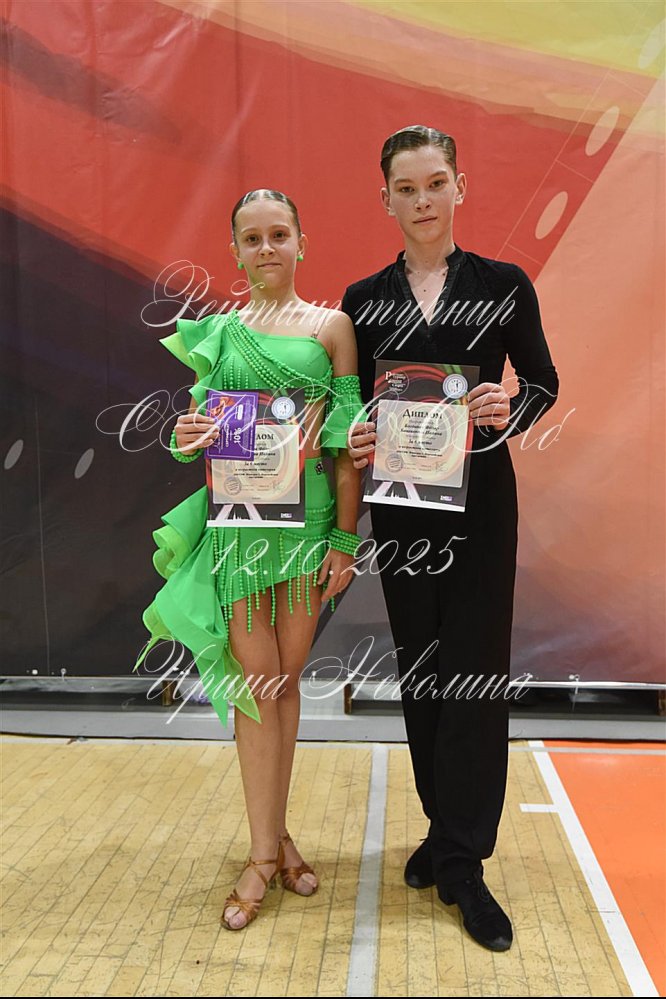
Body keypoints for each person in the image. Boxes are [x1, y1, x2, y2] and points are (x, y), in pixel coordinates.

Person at [341, 125, 560, 952]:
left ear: (460, 186)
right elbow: (352, 407)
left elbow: (542, 382)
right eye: (407, 187)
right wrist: (356, 435)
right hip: (401, 514)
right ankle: (443, 827)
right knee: (423, 674)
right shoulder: (362, 299)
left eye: (436, 182)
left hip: (482, 511)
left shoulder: (503, 284)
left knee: (474, 674)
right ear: (385, 198)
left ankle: (464, 859)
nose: (423, 199)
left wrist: (511, 406)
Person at [134, 189, 368, 930]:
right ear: (234, 251)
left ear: (302, 241)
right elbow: (200, 429)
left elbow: (346, 446)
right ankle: (266, 852)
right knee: (254, 685)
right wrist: (188, 434)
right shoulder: (222, 331)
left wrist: (344, 542)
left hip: (307, 534)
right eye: (252, 238)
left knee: (284, 683)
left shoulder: (333, 327)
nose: (267, 248)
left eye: (279, 234)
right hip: (239, 533)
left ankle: (272, 838)